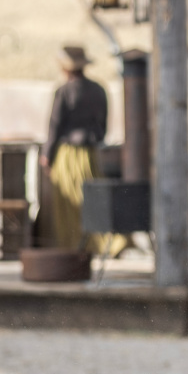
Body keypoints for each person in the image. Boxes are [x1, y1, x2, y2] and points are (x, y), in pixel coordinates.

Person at [41, 46, 112, 252]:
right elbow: (103, 125)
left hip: (67, 154)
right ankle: (98, 243)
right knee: (91, 197)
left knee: (68, 200)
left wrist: (47, 155)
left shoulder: (64, 91)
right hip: (90, 154)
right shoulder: (98, 89)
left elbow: (55, 126)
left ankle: (71, 244)